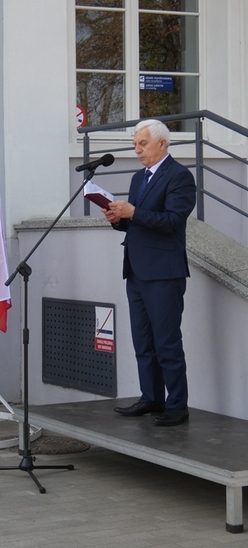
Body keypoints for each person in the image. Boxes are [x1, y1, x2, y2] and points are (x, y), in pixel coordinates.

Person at [103, 119, 196, 426]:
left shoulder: (179, 176)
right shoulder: (138, 178)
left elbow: (172, 221)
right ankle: (151, 398)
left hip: (164, 273)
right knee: (143, 341)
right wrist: (118, 219)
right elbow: (138, 223)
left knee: (167, 342)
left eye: (142, 144)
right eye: (135, 145)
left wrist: (133, 212)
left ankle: (177, 406)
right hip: (136, 270)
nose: (137, 150)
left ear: (162, 143)